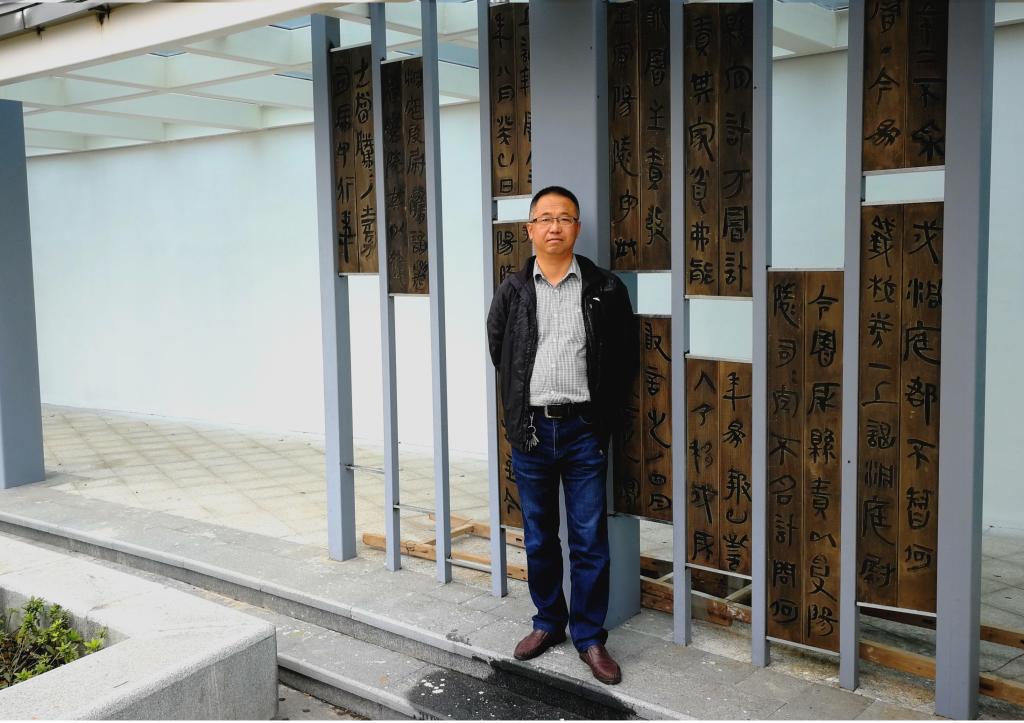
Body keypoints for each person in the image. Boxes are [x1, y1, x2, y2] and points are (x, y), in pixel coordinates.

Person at [486, 185, 635, 686]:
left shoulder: (605, 288)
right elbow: (499, 350)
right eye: (545, 218)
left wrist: (600, 419)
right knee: (539, 536)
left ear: (577, 228)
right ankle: (548, 621)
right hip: (531, 431)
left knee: (590, 539)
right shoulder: (513, 290)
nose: (554, 226)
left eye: (564, 218)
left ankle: (589, 636)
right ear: (530, 229)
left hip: (583, 429)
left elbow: (623, 358)